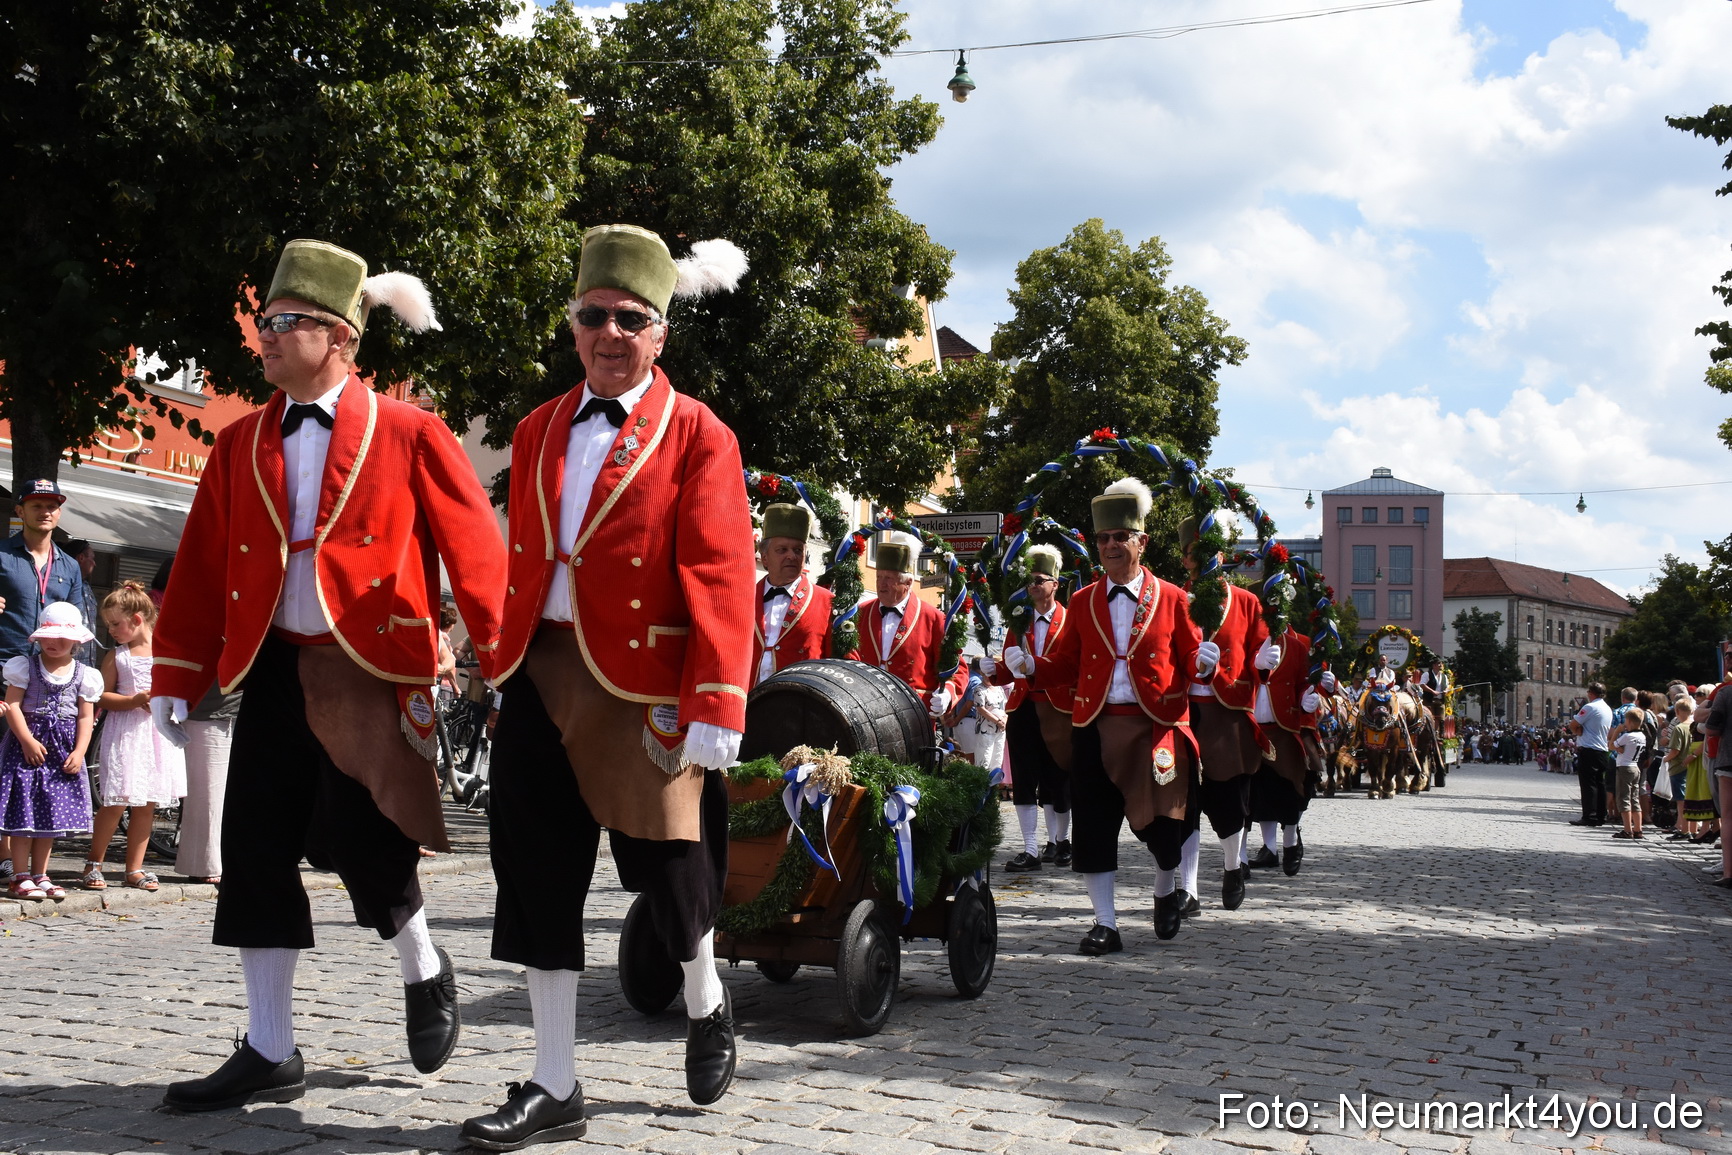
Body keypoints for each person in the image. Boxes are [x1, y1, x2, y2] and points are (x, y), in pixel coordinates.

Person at [150, 239, 506, 1111]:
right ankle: (270, 1046)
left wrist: (502, 660)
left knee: (366, 837)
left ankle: (424, 964)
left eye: (281, 324)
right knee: (257, 846)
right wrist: (177, 670)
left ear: (339, 335)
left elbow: (476, 549)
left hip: (369, 662)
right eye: (264, 323)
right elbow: (198, 566)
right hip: (269, 664)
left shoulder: (412, 432)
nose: (263, 338)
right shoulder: (238, 444)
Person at [463, 225, 754, 1151]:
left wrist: (715, 701)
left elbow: (719, 572)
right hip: (541, 673)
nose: (610, 332)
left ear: (660, 331)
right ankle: (555, 1080)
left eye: (631, 318)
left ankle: (706, 997)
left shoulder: (701, 432)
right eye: (594, 315)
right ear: (574, 323)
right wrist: (491, 649)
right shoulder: (536, 426)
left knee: (671, 871)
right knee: (535, 875)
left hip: (645, 681)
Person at [1004, 477, 1203, 951]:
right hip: (1092, 724)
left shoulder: (1174, 597)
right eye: (1103, 538)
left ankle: (1164, 890)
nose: (1111, 546)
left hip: (1156, 726)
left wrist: (1206, 663)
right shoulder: (1082, 598)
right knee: (1093, 824)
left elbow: (1191, 658)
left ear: (1142, 542)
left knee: (1168, 828)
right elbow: (1066, 663)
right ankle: (1106, 924)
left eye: (1120, 537)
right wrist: (1032, 666)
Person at [1178, 515, 1273, 915]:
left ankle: (1233, 865)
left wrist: (1265, 664)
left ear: (1222, 553)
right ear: (1185, 560)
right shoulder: (1173, 598)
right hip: (1182, 710)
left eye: (1209, 551)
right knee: (1181, 802)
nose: (1202, 561)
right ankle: (1188, 889)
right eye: (1192, 554)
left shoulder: (1247, 602)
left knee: (1227, 801)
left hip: (1226, 709)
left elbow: (1258, 656)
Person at [0, 479, 92, 887]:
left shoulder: (69, 565)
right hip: (6, 665)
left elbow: (76, 621)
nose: (45, 511)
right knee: (7, 766)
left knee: (32, 771)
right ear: (20, 510)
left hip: (52, 674)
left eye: (52, 504)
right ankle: (9, 861)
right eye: (36, 504)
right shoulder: (2, 555)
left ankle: (21, 867)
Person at [82, 581, 186, 891]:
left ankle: (135, 868)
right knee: (116, 801)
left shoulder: (166, 651)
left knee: (147, 803)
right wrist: (133, 701)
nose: (111, 630)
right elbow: (101, 696)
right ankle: (94, 862)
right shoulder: (118, 657)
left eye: (115, 624)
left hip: (157, 734)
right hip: (127, 734)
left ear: (137, 619)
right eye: (109, 624)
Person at [0, 602, 99, 901]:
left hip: (62, 752)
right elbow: (13, 705)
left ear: (76, 641)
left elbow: (85, 717)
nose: (54, 643)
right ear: (38, 637)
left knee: (49, 818)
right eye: (48, 637)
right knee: (23, 815)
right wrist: (27, 740)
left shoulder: (85, 674)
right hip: (27, 750)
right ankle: (20, 875)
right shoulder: (25, 666)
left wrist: (80, 751)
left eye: (61, 638)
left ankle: (41, 874)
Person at [987, 544, 1074, 872]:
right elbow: (1009, 670)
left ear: (1055, 583)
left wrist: (1037, 664)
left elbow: (1073, 664)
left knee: (1058, 779)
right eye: (1029, 581)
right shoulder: (1018, 624)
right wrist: (993, 669)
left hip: (1058, 708)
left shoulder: (1070, 620)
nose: (1034, 585)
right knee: (1024, 779)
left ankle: (1060, 841)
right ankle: (1030, 849)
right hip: (1023, 708)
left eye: (1040, 580)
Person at [845, 530, 967, 717]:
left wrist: (948, 693)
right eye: (879, 577)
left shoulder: (933, 618)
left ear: (908, 583)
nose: (881, 584)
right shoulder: (861, 613)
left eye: (889, 579)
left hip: (914, 714)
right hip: (866, 711)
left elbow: (956, 668)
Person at [1250, 625, 1331, 876]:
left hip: (1285, 727)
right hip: (1252, 726)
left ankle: (1290, 842)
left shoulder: (1299, 644)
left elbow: (1306, 683)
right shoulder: (1245, 639)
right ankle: (1268, 848)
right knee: (1258, 792)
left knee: (1291, 788)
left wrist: (1309, 700)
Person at [751, 502, 833, 686]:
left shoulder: (826, 601)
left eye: (798, 550)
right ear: (764, 557)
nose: (791, 556)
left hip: (800, 703)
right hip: (748, 703)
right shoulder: (745, 597)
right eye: (782, 550)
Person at [1568, 683, 1614, 827]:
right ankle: (1601, 814)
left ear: (1591, 693)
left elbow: (1573, 724)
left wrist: (1577, 731)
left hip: (1588, 749)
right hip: (1602, 749)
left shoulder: (1590, 707)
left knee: (1588, 784)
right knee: (1600, 784)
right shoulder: (1607, 708)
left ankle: (1589, 815)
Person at [1704, 679, 1732, 886]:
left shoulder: (1725, 693)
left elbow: (1712, 728)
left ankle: (1729, 872)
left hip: (1728, 759)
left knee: (1728, 816)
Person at [1610, 710, 1647, 840]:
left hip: (1624, 767)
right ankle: (1638, 828)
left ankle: (1627, 829)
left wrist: (1617, 731)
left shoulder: (1627, 736)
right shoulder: (1642, 736)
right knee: (1634, 798)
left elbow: (1611, 745)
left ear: (1629, 722)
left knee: (1624, 798)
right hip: (1635, 766)